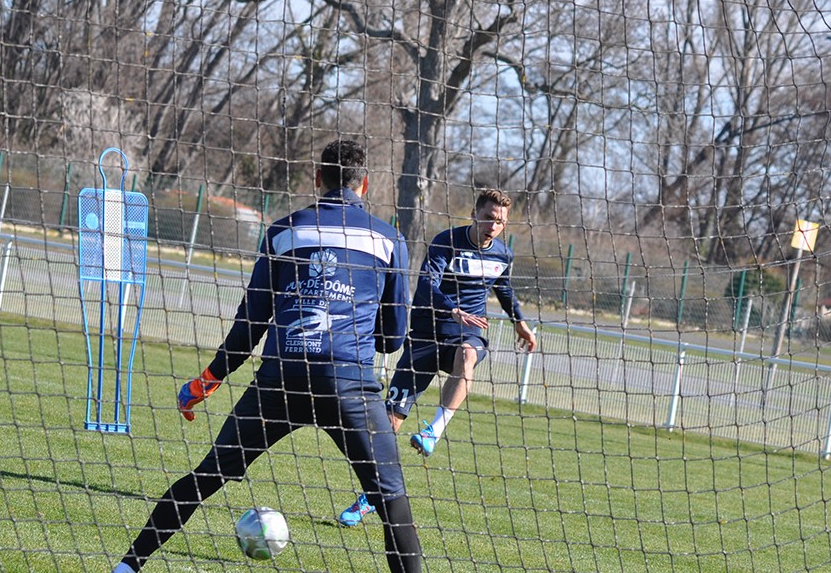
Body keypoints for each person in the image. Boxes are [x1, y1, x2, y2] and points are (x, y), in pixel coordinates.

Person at [112, 140, 421, 573]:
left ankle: (128, 566)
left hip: (281, 379)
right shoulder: (389, 238)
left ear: (318, 180)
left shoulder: (282, 230)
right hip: (347, 383)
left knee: (208, 476)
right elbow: (393, 338)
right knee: (392, 500)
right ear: (364, 184)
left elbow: (250, 323)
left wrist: (208, 378)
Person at [337, 188, 537, 527]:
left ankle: (434, 431)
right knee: (387, 428)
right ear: (475, 215)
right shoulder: (447, 242)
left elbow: (503, 288)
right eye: (488, 217)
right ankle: (371, 497)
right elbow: (427, 282)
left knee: (468, 353)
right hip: (426, 337)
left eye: (500, 221)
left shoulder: (503, 255)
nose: (493, 225)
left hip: (466, 333)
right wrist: (452, 309)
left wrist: (520, 321)